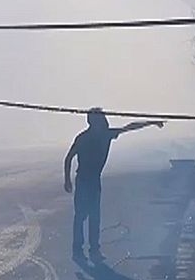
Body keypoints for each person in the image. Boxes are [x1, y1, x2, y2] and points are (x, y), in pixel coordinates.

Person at [63, 109, 163, 260]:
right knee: (82, 216)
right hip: (83, 180)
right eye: (101, 119)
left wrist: (151, 122)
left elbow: (130, 127)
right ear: (93, 122)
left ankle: (93, 250)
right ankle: (78, 250)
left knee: (94, 215)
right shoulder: (84, 138)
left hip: (93, 180)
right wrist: (67, 180)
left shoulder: (104, 134)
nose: (104, 121)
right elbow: (68, 157)